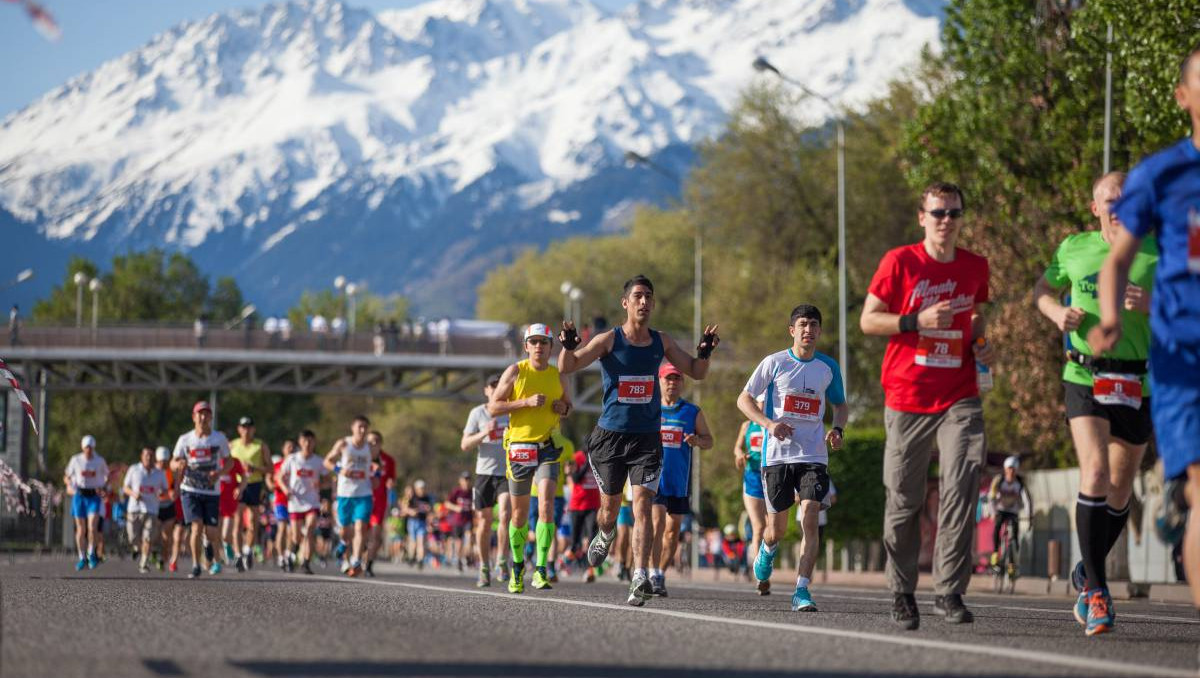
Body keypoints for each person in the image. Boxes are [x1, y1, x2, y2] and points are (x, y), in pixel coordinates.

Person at [1089, 44, 1200, 625]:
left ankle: (1176, 500)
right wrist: (1110, 317)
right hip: (1185, 354)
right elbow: (1117, 260)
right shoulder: (1162, 175)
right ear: (1184, 97)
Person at [860, 181, 992, 629]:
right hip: (907, 395)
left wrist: (984, 344)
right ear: (923, 217)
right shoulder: (900, 262)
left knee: (961, 483)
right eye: (938, 213)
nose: (946, 221)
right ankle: (902, 591)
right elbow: (867, 320)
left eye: (954, 213)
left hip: (960, 392)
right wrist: (916, 320)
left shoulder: (975, 266)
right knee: (904, 499)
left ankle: (949, 590)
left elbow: (977, 317)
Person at [1033, 170, 1156, 635]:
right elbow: (1042, 291)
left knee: (1122, 488)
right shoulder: (1075, 248)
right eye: (1111, 199)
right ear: (1095, 207)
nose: (1120, 206)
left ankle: (1089, 572)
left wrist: (1153, 303)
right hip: (1085, 373)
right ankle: (1099, 593)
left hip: (1136, 380)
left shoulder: (1157, 250)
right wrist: (1055, 312)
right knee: (1097, 474)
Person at [558, 275, 719, 605]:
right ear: (625, 303)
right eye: (638, 296)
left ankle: (640, 575)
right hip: (609, 438)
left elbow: (697, 371)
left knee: (643, 503)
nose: (644, 302)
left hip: (646, 439)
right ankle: (605, 532)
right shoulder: (609, 340)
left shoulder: (661, 341)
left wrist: (704, 353)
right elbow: (569, 366)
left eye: (649, 296)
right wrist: (568, 346)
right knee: (609, 509)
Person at [738, 304, 848, 613]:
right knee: (778, 530)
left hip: (813, 454)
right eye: (803, 324)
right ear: (792, 330)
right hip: (776, 457)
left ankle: (802, 589)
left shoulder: (828, 367)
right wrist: (770, 424)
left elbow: (840, 405)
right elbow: (744, 399)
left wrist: (838, 428)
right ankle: (768, 548)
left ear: (820, 331)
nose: (808, 330)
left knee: (811, 516)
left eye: (814, 324)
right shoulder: (774, 363)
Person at [487, 323, 572, 593]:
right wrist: (523, 402)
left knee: (547, 504)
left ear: (550, 347)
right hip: (520, 447)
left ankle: (542, 567)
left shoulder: (558, 375)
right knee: (519, 514)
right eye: (533, 342)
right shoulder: (515, 371)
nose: (538, 347)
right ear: (526, 346)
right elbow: (493, 407)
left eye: (543, 342)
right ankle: (516, 567)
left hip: (548, 445)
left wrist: (563, 408)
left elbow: (568, 406)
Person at [650, 362, 713, 597]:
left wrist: (697, 441)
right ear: (660, 381)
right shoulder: (650, 409)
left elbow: (709, 440)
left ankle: (661, 574)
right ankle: (652, 571)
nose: (672, 383)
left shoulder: (691, 411)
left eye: (676, 379)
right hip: (653, 478)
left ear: (682, 383)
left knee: (672, 530)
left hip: (679, 480)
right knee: (657, 525)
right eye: (668, 379)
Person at [171, 401, 232, 579]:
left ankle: (208, 545)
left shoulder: (219, 438)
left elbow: (230, 462)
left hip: (211, 491)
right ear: (194, 417)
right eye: (200, 414)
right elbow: (172, 462)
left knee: (212, 532)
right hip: (190, 489)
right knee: (196, 527)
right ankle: (196, 565)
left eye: (207, 414)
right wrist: (179, 464)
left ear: (211, 417)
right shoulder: (185, 439)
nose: (203, 417)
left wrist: (219, 472)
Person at [462, 373, 512, 587]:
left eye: (499, 386)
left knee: (505, 514)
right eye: (492, 387)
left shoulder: (511, 412)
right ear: (486, 391)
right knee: (483, 522)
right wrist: (484, 432)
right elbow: (464, 445)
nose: (495, 390)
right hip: (484, 474)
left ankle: (501, 559)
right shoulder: (477, 413)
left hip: (506, 473)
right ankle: (484, 567)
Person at [324, 414, 376, 577]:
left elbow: (378, 465)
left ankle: (356, 559)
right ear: (352, 428)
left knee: (360, 527)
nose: (362, 430)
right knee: (346, 532)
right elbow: (327, 461)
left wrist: (377, 477)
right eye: (359, 426)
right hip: (345, 493)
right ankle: (342, 548)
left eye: (365, 427)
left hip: (364, 492)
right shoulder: (344, 444)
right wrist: (340, 470)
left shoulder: (371, 447)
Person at [277, 429, 328, 575]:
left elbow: (328, 480)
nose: (307, 443)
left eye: (310, 441)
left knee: (310, 529)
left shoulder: (318, 461)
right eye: (305, 440)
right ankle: (292, 554)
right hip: (295, 502)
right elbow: (280, 477)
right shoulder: (292, 459)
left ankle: (306, 562)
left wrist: (321, 485)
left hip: (312, 502)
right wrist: (285, 489)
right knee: (296, 536)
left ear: (314, 442)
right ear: (300, 442)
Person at [229, 416, 272, 570]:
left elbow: (270, 468)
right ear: (239, 429)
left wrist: (255, 468)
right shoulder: (232, 445)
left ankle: (248, 550)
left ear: (253, 429)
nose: (246, 430)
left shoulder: (260, 446)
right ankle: (238, 555)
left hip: (254, 484)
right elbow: (225, 465)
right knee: (238, 521)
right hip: (238, 485)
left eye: (249, 427)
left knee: (253, 522)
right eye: (243, 427)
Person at [734, 409, 769, 593]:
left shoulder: (774, 422)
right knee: (759, 527)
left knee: (773, 529)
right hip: (753, 479)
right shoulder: (747, 425)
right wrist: (740, 455)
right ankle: (760, 576)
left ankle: (766, 565)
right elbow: (737, 448)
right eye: (759, 400)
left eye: (766, 399)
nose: (762, 403)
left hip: (773, 478)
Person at [64, 435, 109, 570]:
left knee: (92, 527)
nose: (88, 450)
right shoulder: (76, 460)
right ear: (83, 448)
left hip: (93, 496)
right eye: (86, 447)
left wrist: (104, 487)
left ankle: (91, 553)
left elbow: (107, 475)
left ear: (93, 448)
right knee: (80, 528)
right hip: (79, 495)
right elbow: (66, 476)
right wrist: (69, 483)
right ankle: (82, 556)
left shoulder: (99, 461)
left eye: (90, 447)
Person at [122, 447, 169, 573]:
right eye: (146, 455)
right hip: (134, 508)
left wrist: (161, 493)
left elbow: (165, 489)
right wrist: (133, 493)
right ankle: (137, 548)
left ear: (154, 458)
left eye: (151, 455)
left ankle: (143, 563)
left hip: (151, 509)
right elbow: (125, 487)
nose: (148, 458)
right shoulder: (134, 469)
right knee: (132, 537)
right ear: (141, 457)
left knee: (148, 538)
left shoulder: (159, 473)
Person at [988, 456, 1031, 571]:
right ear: (1005, 469)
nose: (1011, 472)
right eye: (1009, 469)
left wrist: (1029, 516)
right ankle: (995, 553)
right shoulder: (999, 481)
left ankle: (1012, 562)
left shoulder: (1019, 484)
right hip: (1000, 510)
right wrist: (992, 512)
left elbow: (1027, 501)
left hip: (1013, 511)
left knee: (1015, 535)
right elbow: (991, 496)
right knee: (997, 527)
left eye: (1013, 469)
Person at [566, 446, 601, 582]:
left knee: (592, 539)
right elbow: (575, 479)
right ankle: (561, 563)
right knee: (575, 543)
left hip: (593, 505)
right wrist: (587, 463)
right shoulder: (577, 457)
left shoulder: (600, 456)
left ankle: (589, 570)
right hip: (577, 505)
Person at [365, 430, 396, 577]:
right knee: (360, 532)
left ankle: (369, 564)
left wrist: (390, 483)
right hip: (362, 499)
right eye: (370, 441)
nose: (374, 443)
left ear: (381, 443)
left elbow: (391, 479)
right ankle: (357, 558)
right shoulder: (360, 457)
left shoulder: (388, 460)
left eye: (377, 440)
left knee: (376, 534)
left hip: (379, 502)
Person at [154, 446, 178, 571]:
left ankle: (162, 559)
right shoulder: (152, 472)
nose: (163, 464)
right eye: (161, 461)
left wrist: (174, 492)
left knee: (166, 536)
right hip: (155, 507)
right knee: (155, 534)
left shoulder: (171, 473)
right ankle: (153, 551)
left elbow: (175, 487)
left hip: (168, 506)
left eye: (165, 461)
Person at [446, 472, 474, 572]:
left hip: (468, 520)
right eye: (464, 479)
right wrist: (456, 508)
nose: (466, 482)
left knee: (469, 537)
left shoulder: (472, 492)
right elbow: (447, 503)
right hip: (458, 521)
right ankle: (458, 560)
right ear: (460, 481)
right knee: (459, 542)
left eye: (468, 479)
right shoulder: (457, 491)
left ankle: (466, 556)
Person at [271, 445, 293, 569]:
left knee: (292, 532)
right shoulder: (278, 464)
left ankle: (288, 554)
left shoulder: (298, 463)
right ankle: (280, 556)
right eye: (288, 447)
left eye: (292, 448)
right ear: (283, 450)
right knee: (282, 529)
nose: (290, 449)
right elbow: (270, 479)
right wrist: (271, 485)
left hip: (295, 502)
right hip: (280, 500)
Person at [404, 480, 434, 568]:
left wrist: (429, 512)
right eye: (420, 489)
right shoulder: (412, 497)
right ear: (416, 489)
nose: (422, 490)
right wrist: (411, 511)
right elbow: (405, 508)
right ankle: (411, 557)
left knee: (421, 542)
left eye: (423, 488)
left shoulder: (427, 498)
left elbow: (430, 511)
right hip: (412, 522)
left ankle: (420, 560)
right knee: (413, 542)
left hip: (422, 522)